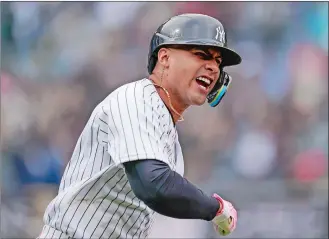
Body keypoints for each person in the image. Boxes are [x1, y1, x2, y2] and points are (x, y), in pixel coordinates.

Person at [38, 13, 242, 239]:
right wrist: (215, 208)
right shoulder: (135, 99)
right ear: (165, 58)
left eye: (217, 61)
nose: (213, 67)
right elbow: (154, 185)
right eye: (201, 55)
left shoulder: (166, 128)